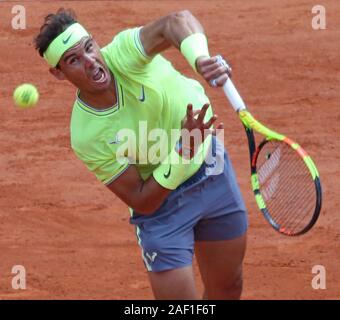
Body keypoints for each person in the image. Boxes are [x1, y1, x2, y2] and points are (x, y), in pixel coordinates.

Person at [34, 8, 248, 300]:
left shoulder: (122, 54)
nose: (91, 62)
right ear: (58, 73)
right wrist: (183, 151)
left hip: (211, 169)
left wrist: (200, 59)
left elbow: (177, 21)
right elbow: (141, 199)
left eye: (89, 47)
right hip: (163, 208)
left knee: (228, 287)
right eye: (74, 60)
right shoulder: (86, 135)